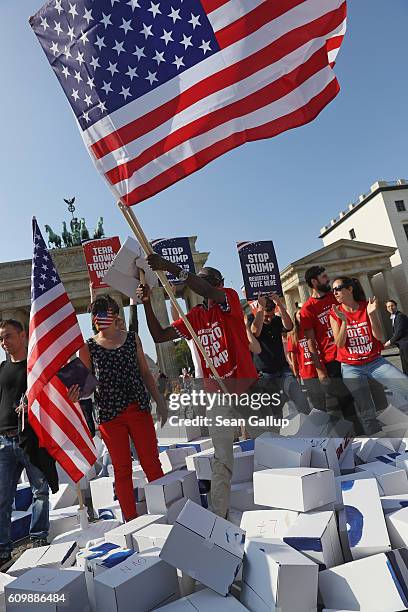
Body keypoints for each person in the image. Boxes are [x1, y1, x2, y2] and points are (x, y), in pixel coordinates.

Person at [137, 257, 266, 519]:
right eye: (201, 281)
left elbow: (207, 290)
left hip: (245, 386)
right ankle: (219, 515)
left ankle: (280, 497)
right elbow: (160, 336)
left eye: (207, 282)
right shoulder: (195, 317)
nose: (202, 286)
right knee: (222, 458)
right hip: (217, 395)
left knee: (267, 445)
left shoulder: (227, 300)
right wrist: (147, 303)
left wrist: (171, 268)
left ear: (219, 284)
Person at [78, 295, 167, 522]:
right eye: (96, 313)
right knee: (122, 469)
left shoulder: (132, 339)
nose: (100, 317)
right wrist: (74, 394)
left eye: (105, 311)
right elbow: (85, 385)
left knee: (151, 463)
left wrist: (161, 401)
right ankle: (131, 520)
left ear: (115, 314)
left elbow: (146, 373)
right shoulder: (87, 348)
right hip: (109, 416)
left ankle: (166, 513)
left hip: (138, 408)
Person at [0, 320, 72, 567]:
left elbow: (66, 383)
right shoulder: (1, 368)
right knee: (2, 497)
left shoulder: (36, 369)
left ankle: (39, 538)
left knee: (39, 492)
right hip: (3, 441)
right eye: (1, 338)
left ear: (22, 336)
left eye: (8, 336)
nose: (4, 342)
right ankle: (2, 548)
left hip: (30, 439)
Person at [330, 277, 408, 433]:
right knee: (366, 411)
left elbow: (378, 336)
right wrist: (344, 321)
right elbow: (339, 344)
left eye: (337, 288)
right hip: (351, 367)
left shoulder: (367, 307)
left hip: (374, 362)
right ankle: (378, 446)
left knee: (405, 387)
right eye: (333, 290)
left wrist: (371, 314)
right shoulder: (335, 312)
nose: (335, 292)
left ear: (349, 289)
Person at [301, 266, 355, 416]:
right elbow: (310, 342)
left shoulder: (335, 296)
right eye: (324, 277)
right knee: (345, 400)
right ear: (314, 281)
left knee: (360, 393)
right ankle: (357, 434)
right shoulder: (307, 309)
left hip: (351, 353)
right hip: (332, 359)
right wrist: (319, 369)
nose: (328, 279)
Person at [249, 295, 310, 415]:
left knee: (299, 397)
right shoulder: (253, 319)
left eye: (272, 315)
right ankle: (278, 431)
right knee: (275, 409)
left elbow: (289, 326)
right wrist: (261, 310)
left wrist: (280, 304)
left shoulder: (276, 320)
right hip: (266, 373)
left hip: (283, 369)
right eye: (267, 316)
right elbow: (255, 332)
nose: (269, 319)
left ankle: (310, 424)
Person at [287, 308, 325, 410]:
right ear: (295, 318)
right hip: (307, 373)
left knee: (327, 399)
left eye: (303, 314)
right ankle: (322, 422)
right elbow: (293, 357)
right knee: (316, 402)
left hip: (320, 369)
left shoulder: (313, 329)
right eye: (299, 314)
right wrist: (296, 374)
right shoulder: (293, 335)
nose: (301, 316)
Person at [384, 300, 408, 375]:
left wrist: (389, 342)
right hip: (402, 345)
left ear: (396, 306)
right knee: (405, 366)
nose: (390, 308)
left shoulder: (400, 316)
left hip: (406, 344)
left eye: (392, 305)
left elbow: (399, 332)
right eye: (388, 306)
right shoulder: (395, 317)